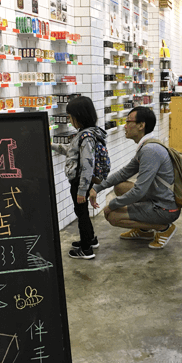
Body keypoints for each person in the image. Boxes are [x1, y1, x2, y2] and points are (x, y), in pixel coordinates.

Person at [89, 107, 180, 249]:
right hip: (158, 197)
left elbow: (139, 191)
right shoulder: (146, 146)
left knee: (113, 216)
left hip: (165, 208)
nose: (125, 126)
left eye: (128, 121)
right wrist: (97, 187)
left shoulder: (150, 151)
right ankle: (144, 230)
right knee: (120, 186)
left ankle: (164, 228)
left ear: (141, 125)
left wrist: (110, 206)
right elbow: (123, 174)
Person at [51, 96, 107, 260]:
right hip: (82, 181)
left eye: (70, 117)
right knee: (82, 212)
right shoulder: (86, 134)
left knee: (81, 213)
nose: (69, 120)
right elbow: (70, 150)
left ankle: (85, 249)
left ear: (79, 116)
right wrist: (52, 146)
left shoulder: (86, 137)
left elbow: (87, 165)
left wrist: (82, 190)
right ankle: (89, 239)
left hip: (80, 181)